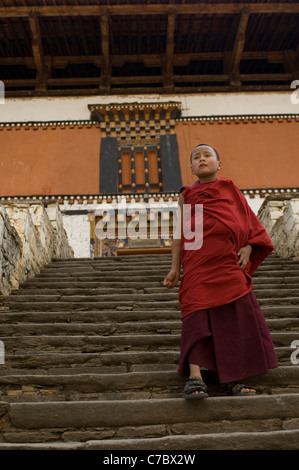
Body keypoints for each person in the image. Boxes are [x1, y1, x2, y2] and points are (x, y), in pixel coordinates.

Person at [163, 144, 278, 399]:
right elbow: (181, 234)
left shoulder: (231, 191)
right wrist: (175, 269)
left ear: (219, 164)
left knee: (233, 319)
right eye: (196, 157)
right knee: (195, 318)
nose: (202, 159)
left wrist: (248, 246)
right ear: (191, 167)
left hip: (228, 264)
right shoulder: (187, 195)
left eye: (207, 155)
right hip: (197, 265)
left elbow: (248, 224)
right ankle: (195, 377)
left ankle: (234, 378)